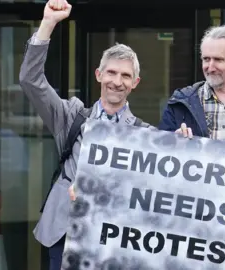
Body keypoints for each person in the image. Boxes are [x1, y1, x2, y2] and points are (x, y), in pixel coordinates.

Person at [18, 0, 150, 269]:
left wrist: (184, 143)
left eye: (125, 76)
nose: (117, 81)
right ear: (98, 74)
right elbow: (31, 81)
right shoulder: (71, 116)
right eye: (111, 72)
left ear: (135, 83)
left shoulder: (145, 134)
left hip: (111, 240)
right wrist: (48, 24)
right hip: (63, 232)